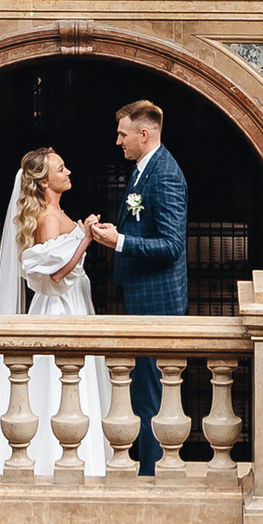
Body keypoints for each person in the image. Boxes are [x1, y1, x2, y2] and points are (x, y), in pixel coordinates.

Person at [0, 142, 109, 477]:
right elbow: (55, 274)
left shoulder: (58, 214)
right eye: (61, 168)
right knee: (58, 380)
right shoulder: (47, 218)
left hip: (74, 303)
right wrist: (85, 240)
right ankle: (52, 456)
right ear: (44, 181)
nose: (68, 171)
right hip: (60, 308)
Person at [88, 96, 188, 475]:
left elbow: (172, 245)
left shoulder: (165, 173)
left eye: (123, 134)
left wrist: (121, 242)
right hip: (143, 294)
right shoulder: (145, 169)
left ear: (144, 134)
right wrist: (120, 231)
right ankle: (148, 465)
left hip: (159, 301)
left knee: (152, 392)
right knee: (145, 388)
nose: (118, 141)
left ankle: (154, 471)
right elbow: (144, 223)